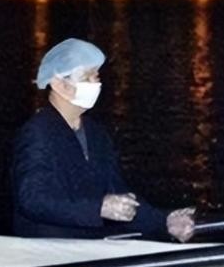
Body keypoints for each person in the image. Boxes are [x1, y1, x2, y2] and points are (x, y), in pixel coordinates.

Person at [11, 38, 195, 242]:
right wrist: (97, 208)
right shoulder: (38, 132)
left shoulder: (96, 133)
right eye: (86, 78)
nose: (95, 84)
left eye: (96, 77)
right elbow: (33, 199)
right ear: (59, 84)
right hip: (49, 250)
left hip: (92, 248)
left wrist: (164, 221)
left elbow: (118, 194)